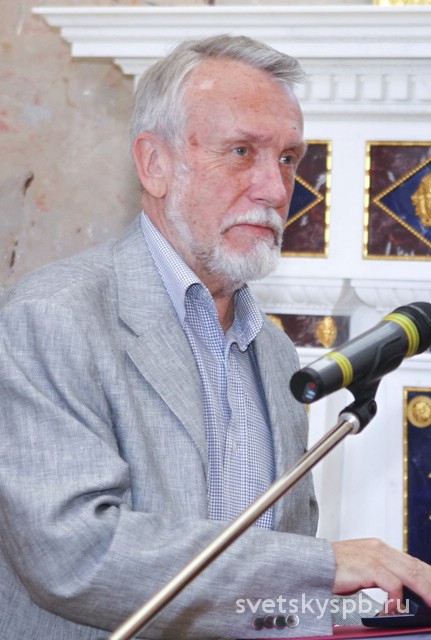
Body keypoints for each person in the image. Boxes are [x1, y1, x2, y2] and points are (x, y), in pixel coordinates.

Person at [0, 34, 430, 640]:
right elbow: (76, 555)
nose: (276, 189)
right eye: (241, 151)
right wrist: (324, 566)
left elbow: (257, 599)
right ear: (154, 164)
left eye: (288, 158)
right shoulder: (52, 318)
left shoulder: (277, 352)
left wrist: (370, 617)